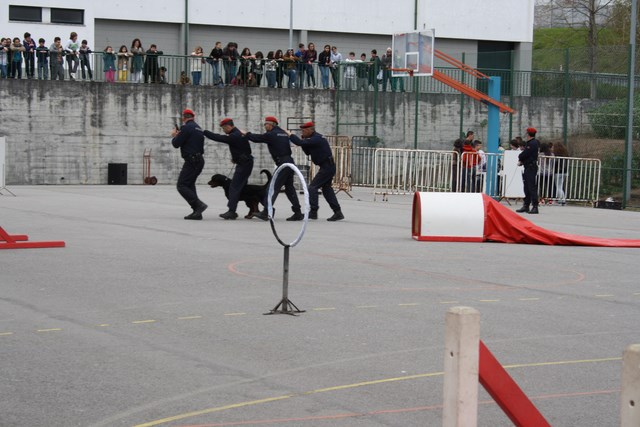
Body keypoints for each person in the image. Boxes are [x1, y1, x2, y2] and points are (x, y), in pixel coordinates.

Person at [246, 116, 303, 221]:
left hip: (283, 163)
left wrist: (246, 134)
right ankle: (297, 212)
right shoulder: (283, 132)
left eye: (265, 124)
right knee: (289, 188)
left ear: (271, 124)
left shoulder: (271, 134)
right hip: (290, 162)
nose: (265, 126)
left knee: (272, 187)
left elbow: (256, 138)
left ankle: (266, 212)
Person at [287, 122, 344, 221]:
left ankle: (313, 212)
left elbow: (300, 143)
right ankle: (337, 212)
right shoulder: (312, 139)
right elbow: (307, 151)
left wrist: (290, 135)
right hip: (326, 166)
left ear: (310, 130)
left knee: (312, 187)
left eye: (304, 131)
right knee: (327, 189)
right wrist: (304, 140)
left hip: (327, 167)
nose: (302, 132)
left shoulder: (317, 138)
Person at [204, 118, 254, 220]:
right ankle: (253, 209)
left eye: (223, 128)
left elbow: (218, 138)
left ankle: (232, 211)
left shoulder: (234, 135)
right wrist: (236, 158)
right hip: (245, 162)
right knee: (243, 188)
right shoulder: (238, 133)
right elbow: (244, 148)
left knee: (234, 187)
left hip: (244, 164)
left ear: (228, 126)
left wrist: (205, 132)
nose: (223, 131)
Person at [171, 109, 208, 220]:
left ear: (184, 118)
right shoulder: (198, 128)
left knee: (181, 185)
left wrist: (174, 135)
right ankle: (197, 212)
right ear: (193, 117)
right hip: (198, 160)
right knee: (190, 185)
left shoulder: (186, 128)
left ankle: (199, 205)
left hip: (192, 160)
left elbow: (176, 144)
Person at [516, 127, 540, 214]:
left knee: (531, 187)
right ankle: (526, 205)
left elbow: (525, 154)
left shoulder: (532, 143)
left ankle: (534, 206)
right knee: (527, 187)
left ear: (528, 134)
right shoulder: (531, 143)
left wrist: (520, 158)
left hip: (531, 167)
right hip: (528, 166)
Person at [553, 141, 569, 205]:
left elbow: (555, 163)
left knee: (558, 186)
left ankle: (561, 199)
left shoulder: (556, 154)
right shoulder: (565, 153)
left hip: (558, 172)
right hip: (564, 171)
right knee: (561, 186)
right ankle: (562, 199)